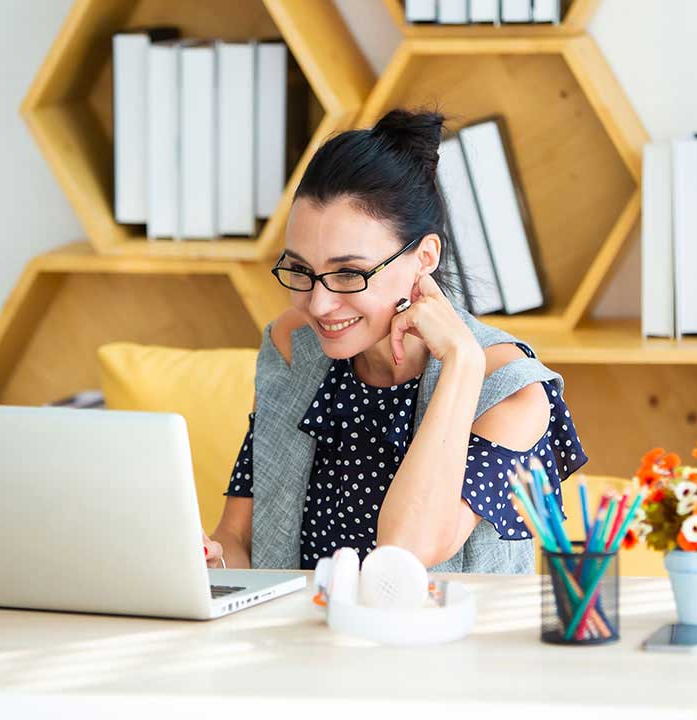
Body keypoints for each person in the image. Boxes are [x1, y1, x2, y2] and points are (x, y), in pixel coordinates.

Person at [201, 109, 587, 574]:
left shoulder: (511, 390)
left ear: (423, 258)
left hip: (442, 644)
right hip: (300, 640)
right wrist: (210, 560)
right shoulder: (292, 347)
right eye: (301, 270)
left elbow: (407, 548)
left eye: (349, 273)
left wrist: (462, 362)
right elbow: (240, 536)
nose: (319, 304)